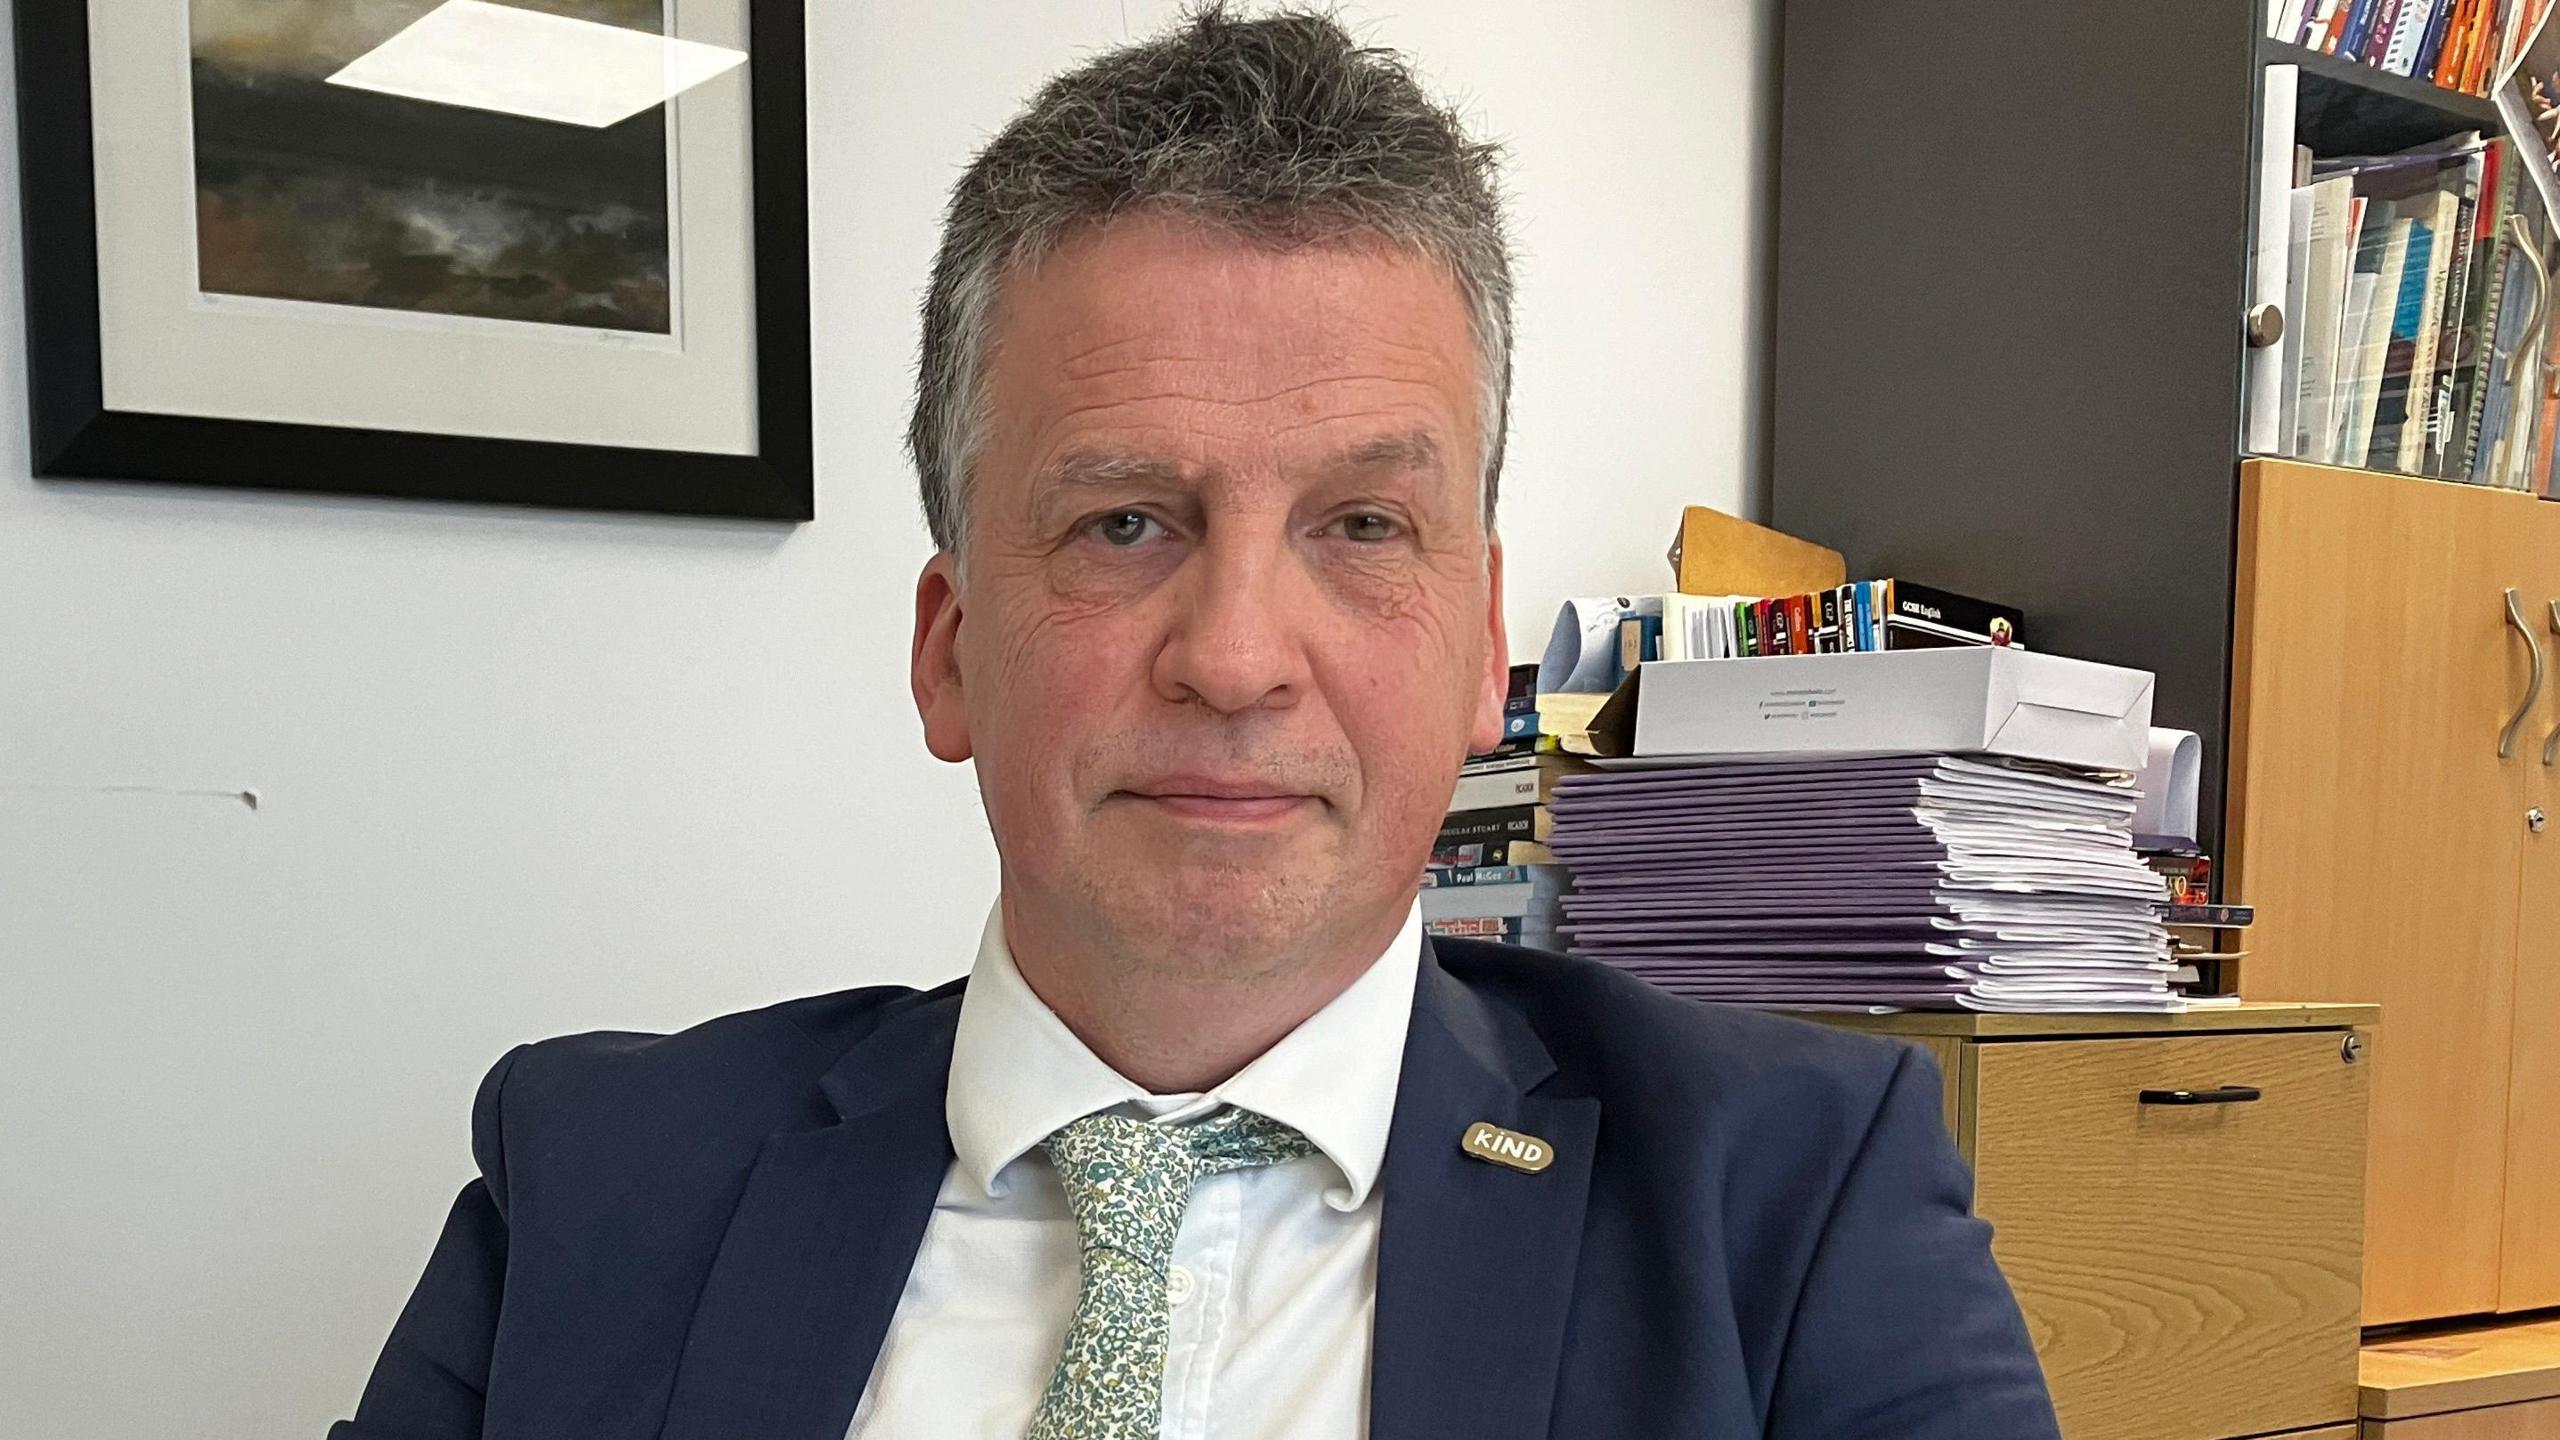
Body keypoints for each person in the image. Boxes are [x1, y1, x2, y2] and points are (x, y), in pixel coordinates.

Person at [331, 8, 2060, 1438]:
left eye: (1362, 527)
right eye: (1125, 522)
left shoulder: (1795, 1208)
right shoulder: (596, 1186)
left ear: (1479, 650)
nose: (1236, 659)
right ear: (949, 651)